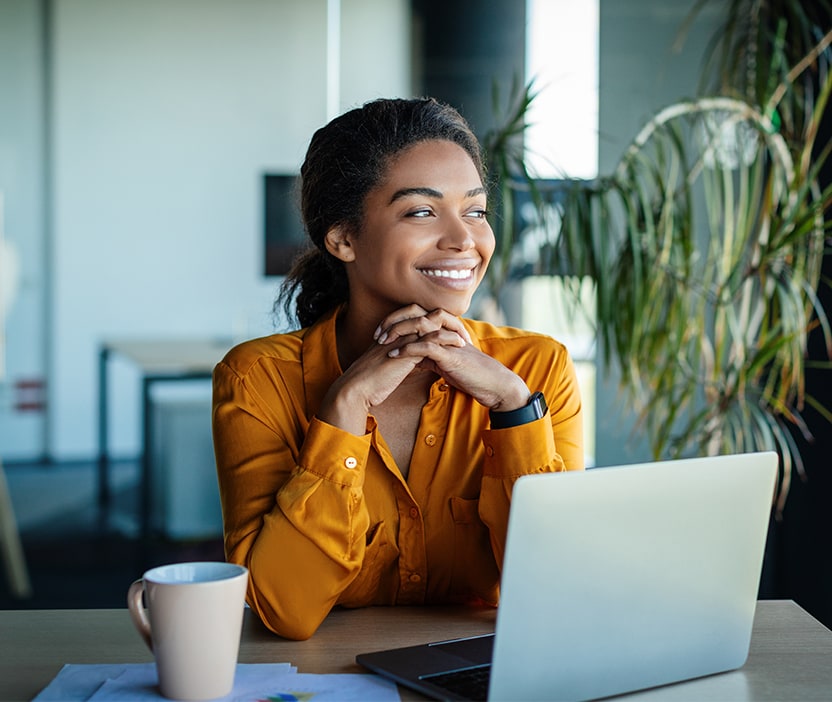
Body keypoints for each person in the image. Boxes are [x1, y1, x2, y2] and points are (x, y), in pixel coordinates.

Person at [212, 97, 584, 641]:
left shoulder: (534, 370)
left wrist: (513, 410)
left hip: (483, 677)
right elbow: (283, 609)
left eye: (475, 211)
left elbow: (560, 590)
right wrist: (342, 411)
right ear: (342, 239)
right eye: (422, 211)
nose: (465, 240)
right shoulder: (257, 380)